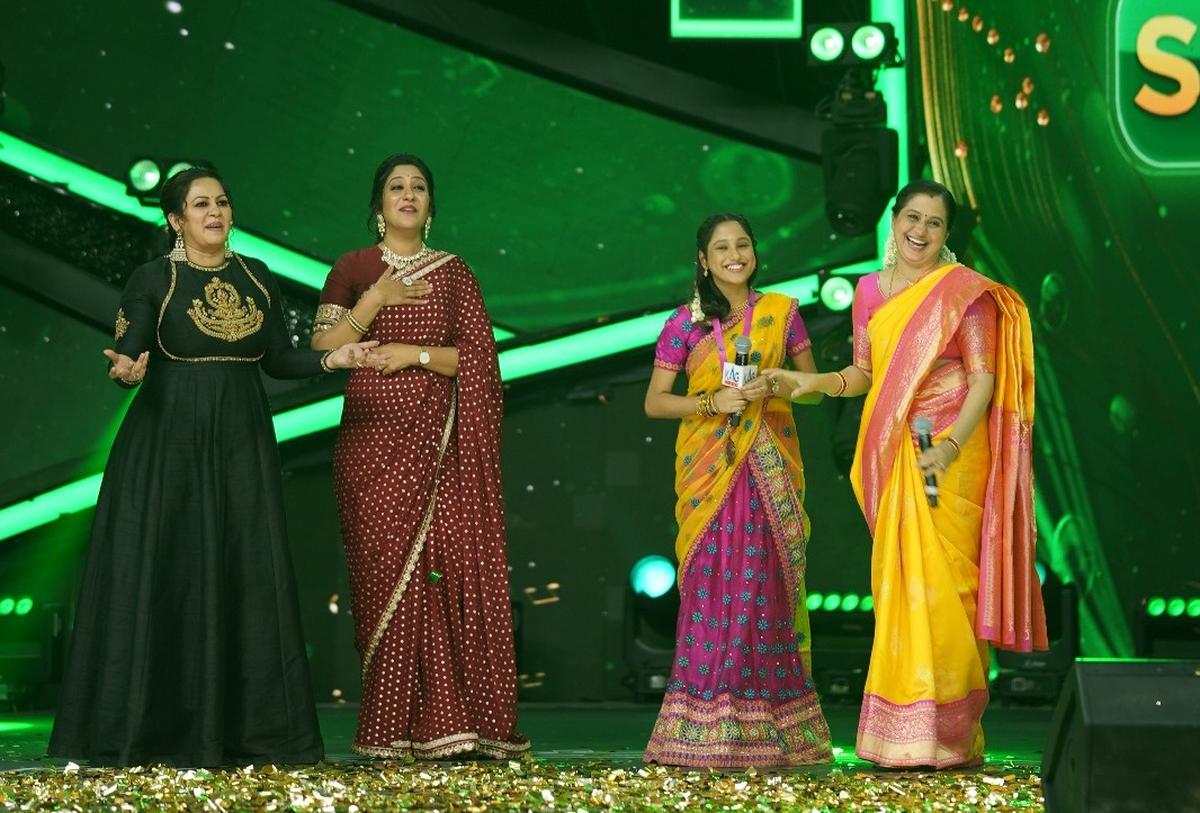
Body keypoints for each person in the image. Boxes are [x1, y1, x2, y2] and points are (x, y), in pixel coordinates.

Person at [49, 167, 374, 767]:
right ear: (176, 219)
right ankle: (155, 729)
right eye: (200, 204)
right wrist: (125, 370)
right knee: (169, 572)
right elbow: (131, 347)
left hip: (242, 442)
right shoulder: (153, 277)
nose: (215, 212)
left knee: (245, 569)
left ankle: (249, 731)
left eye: (221, 201)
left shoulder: (257, 275)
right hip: (168, 443)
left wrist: (335, 360)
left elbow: (278, 360)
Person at [765, 179, 1047, 768]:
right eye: (912, 218)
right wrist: (811, 381)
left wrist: (948, 445)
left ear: (946, 234)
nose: (920, 231)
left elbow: (984, 380)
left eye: (934, 223)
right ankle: (903, 734)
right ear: (893, 221)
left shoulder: (963, 292)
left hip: (950, 452)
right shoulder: (870, 290)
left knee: (948, 587)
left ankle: (950, 734)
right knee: (903, 587)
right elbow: (864, 373)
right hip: (897, 446)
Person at [310, 154, 527, 760]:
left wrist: (415, 354)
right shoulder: (354, 267)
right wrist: (375, 298)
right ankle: (389, 725)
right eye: (396, 187)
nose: (408, 194)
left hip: (441, 449)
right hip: (369, 445)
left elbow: (480, 361)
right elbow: (324, 345)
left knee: (439, 576)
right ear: (378, 205)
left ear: (431, 205)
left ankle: (449, 723)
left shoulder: (455, 273)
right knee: (383, 580)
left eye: (419, 187)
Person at [641, 212, 833, 768]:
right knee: (712, 588)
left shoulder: (783, 313)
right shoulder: (685, 324)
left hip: (769, 466)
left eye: (742, 244)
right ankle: (703, 723)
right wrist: (710, 403)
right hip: (709, 473)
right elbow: (655, 401)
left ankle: (774, 725)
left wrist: (779, 383)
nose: (734, 255)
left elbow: (814, 391)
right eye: (721, 248)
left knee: (763, 592)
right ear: (703, 260)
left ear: (754, 253)